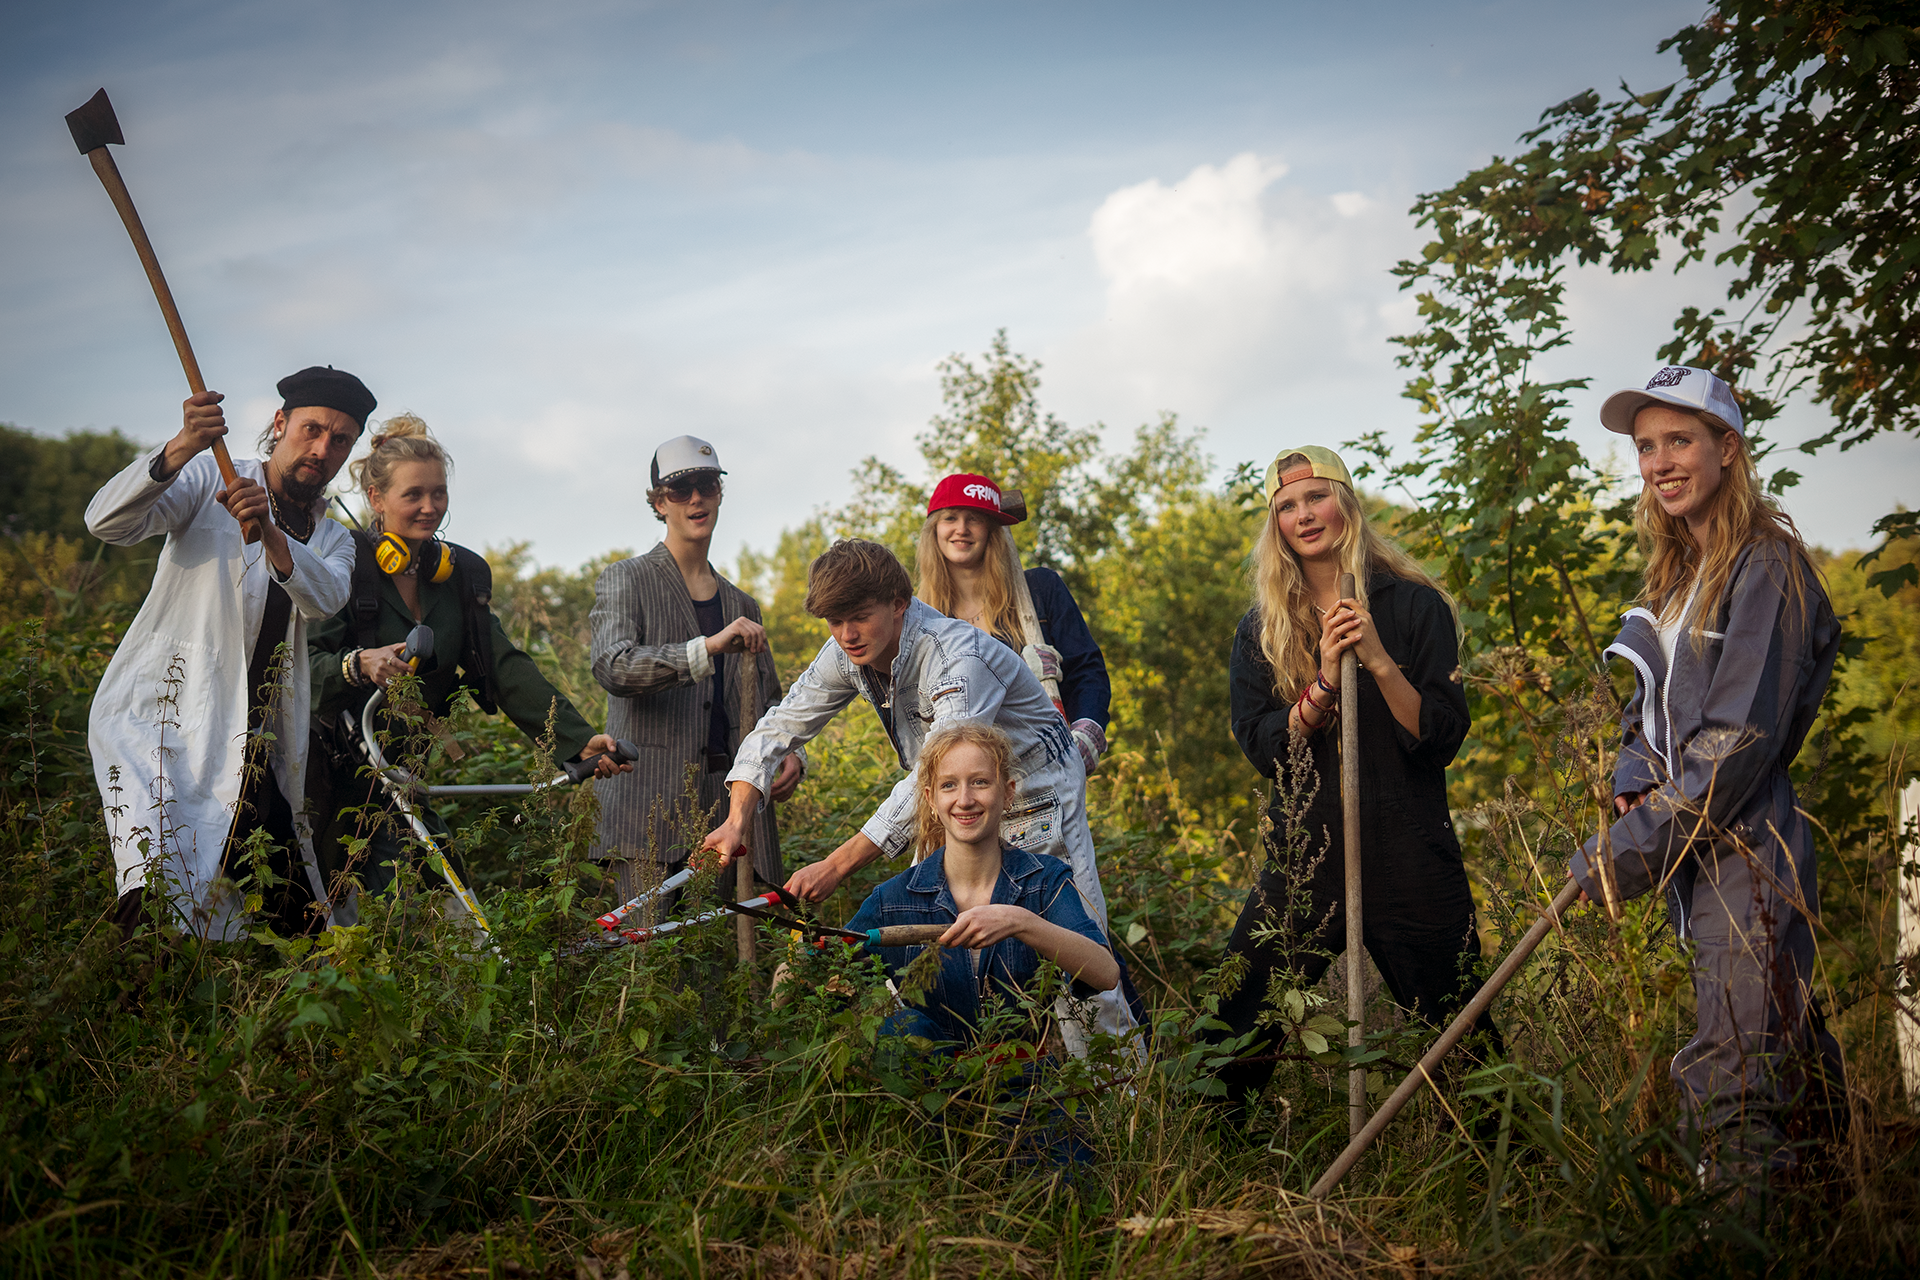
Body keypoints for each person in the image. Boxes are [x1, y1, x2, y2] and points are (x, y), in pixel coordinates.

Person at [1575, 365, 1844, 1182]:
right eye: (1646, 446)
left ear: (1728, 448)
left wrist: (1626, 852)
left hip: (1746, 846)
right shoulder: (1679, 579)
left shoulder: (1767, 568)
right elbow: (1652, 711)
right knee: (1783, 1051)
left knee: (1732, 1076)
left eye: (1679, 440)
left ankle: (1738, 1245)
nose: (1659, 463)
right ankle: (1844, 1204)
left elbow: (1735, 743)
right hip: (1692, 843)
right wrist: (1631, 777)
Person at [1210, 444, 1499, 1108]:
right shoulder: (1262, 627)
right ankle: (1212, 1157)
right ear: (1274, 524)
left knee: (1458, 1026)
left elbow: (1441, 737)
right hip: (1307, 850)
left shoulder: (1415, 606)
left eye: (1316, 495)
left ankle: (1508, 1164)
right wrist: (1317, 689)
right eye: (1287, 505)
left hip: (1408, 845)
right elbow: (1264, 748)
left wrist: (1374, 657)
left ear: (1346, 501)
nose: (1304, 514)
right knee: (1236, 1019)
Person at [87, 367, 371, 940]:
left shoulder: (332, 535)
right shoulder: (207, 478)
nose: (321, 449)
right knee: (152, 876)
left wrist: (268, 529)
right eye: (311, 429)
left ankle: (288, 1013)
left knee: (291, 903)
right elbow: (107, 522)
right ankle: (123, 1007)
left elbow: (323, 598)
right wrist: (181, 446)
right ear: (279, 423)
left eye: (339, 440)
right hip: (161, 719)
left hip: (254, 740)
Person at [308, 415, 629, 911]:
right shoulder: (343, 566)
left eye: (438, 493)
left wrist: (576, 738)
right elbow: (301, 670)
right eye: (413, 494)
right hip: (330, 778)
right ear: (376, 498)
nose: (429, 506)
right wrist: (357, 664)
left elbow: (504, 665)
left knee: (453, 910)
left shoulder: (457, 578)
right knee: (330, 916)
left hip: (406, 780)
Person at [588, 436, 802, 909]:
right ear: (659, 501)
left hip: (725, 812)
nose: (696, 499)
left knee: (713, 962)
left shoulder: (743, 605)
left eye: (706, 484)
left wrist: (792, 755)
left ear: (720, 493)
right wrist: (703, 649)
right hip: (646, 809)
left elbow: (771, 705)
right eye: (680, 489)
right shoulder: (626, 578)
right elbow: (612, 666)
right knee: (644, 966)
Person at [845, 722, 1121, 1048]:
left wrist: (1020, 922)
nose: (965, 799)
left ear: (1007, 793)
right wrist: (791, 969)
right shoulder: (893, 900)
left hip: (1026, 1085)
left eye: (979, 782)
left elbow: (1105, 973)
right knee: (903, 1028)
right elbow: (821, 977)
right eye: (949, 785)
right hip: (926, 1088)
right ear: (932, 800)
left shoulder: (1045, 880)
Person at [915, 473, 1110, 775]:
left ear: (993, 531)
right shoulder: (925, 620)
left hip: (1047, 768)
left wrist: (1086, 732)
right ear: (935, 530)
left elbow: (1087, 671)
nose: (961, 529)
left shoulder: (1040, 591)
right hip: (967, 781)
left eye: (975, 519)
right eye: (950, 518)